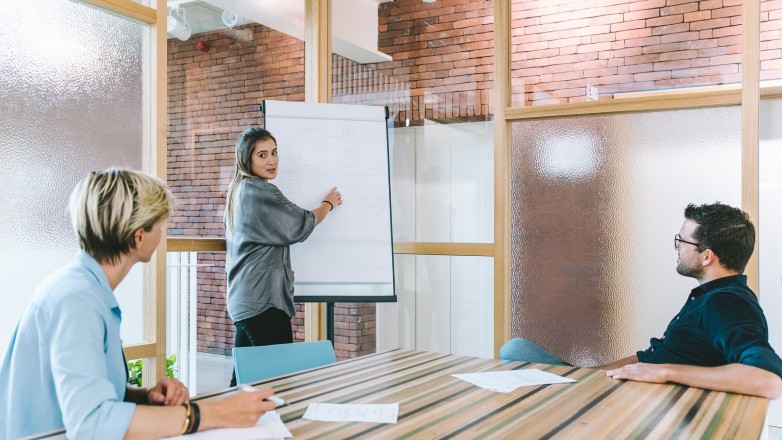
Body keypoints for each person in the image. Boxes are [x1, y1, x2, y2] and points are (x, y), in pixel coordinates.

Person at [0, 169, 276, 440]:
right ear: (138, 236)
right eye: (160, 225)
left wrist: (145, 396)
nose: (163, 233)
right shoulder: (77, 301)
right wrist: (210, 413)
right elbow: (92, 424)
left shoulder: (86, 289)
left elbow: (92, 394)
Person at [500, 202, 782, 399]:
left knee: (515, 351)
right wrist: (590, 375)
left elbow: (769, 380)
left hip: (640, 401)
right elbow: (651, 357)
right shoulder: (709, 296)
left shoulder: (727, 303)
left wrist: (665, 372)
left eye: (682, 242)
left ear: (707, 256)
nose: (677, 248)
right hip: (620, 385)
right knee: (516, 350)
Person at [225, 127, 342, 387]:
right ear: (248, 159)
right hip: (263, 302)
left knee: (241, 383)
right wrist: (328, 204)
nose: (271, 161)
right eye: (262, 155)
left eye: (274, 153)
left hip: (245, 300)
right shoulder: (261, 192)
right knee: (278, 382)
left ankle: (220, 423)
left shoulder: (239, 191)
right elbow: (301, 223)